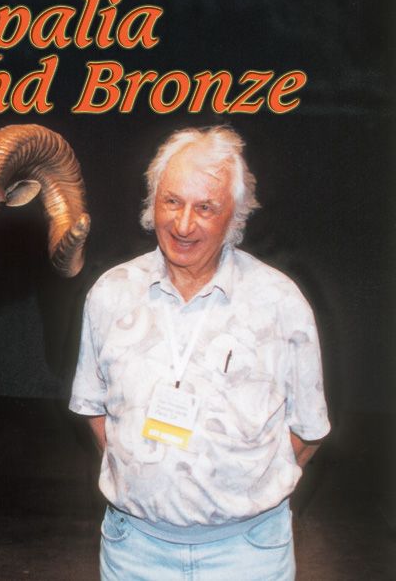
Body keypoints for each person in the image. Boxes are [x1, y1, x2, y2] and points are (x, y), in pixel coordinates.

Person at [69, 126, 330, 580]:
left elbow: (307, 432)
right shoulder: (111, 294)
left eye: (205, 208)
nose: (184, 225)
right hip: (134, 553)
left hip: (247, 556)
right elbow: (94, 410)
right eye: (172, 201)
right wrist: (147, 480)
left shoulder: (279, 302)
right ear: (153, 202)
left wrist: (238, 492)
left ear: (234, 217)